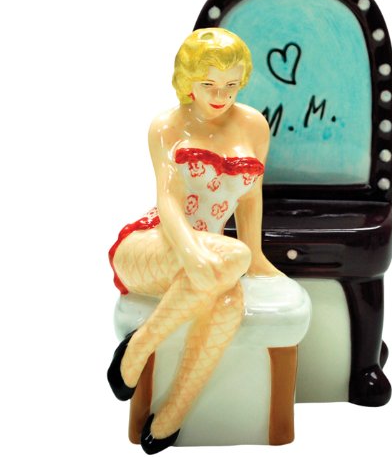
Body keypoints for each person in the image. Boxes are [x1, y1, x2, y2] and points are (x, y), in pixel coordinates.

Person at [107, 28, 283, 454]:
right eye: (208, 84)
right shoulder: (167, 125)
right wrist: (191, 253)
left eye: (231, 84)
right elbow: (167, 199)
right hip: (155, 243)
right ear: (187, 80)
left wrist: (256, 255)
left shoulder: (254, 125)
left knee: (229, 300)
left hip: (214, 255)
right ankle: (140, 349)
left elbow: (250, 196)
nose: (221, 95)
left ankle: (171, 412)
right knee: (233, 256)